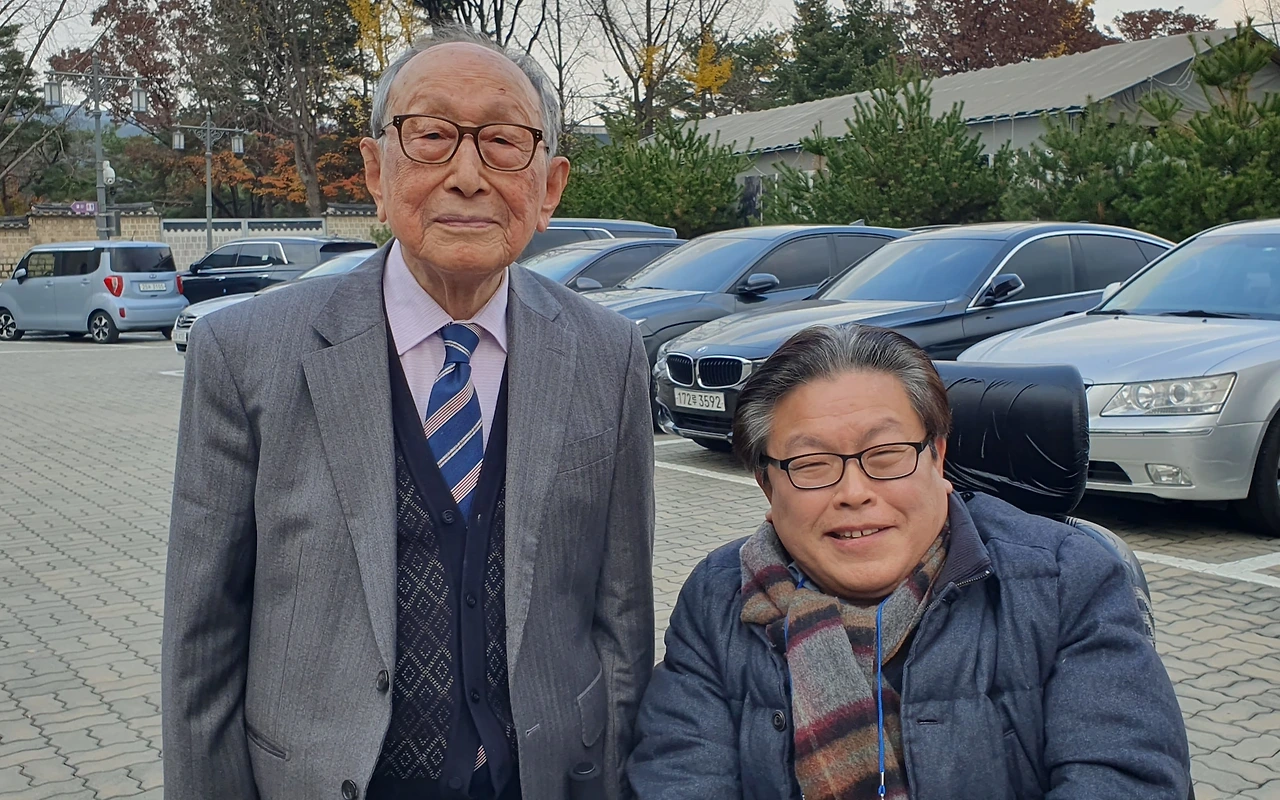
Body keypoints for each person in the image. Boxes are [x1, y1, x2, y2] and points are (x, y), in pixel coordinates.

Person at [162, 27, 655, 800]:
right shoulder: (245, 352)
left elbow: (621, 613)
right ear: (374, 170)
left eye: (503, 142)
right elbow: (204, 632)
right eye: (431, 136)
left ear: (550, 186)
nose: (468, 176)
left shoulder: (608, 352)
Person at [627, 324, 1190, 800]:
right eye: (811, 463)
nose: (854, 492)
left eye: (886, 454)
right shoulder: (719, 597)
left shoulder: (1067, 580)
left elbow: (1127, 778)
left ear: (937, 457)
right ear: (767, 486)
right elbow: (677, 777)